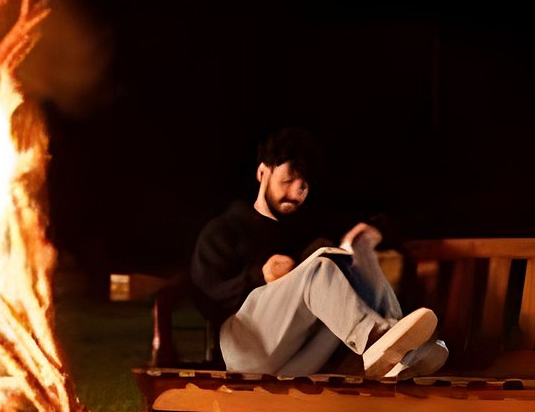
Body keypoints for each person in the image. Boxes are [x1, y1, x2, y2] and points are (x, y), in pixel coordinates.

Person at [190, 127, 448, 379]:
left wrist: (371, 234)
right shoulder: (225, 229)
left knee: (355, 255)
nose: (294, 193)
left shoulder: (304, 229)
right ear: (262, 173)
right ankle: (374, 338)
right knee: (319, 268)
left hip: (295, 358)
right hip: (243, 348)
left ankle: (400, 348)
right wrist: (260, 276)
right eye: (287, 181)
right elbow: (207, 293)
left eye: (302, 187)